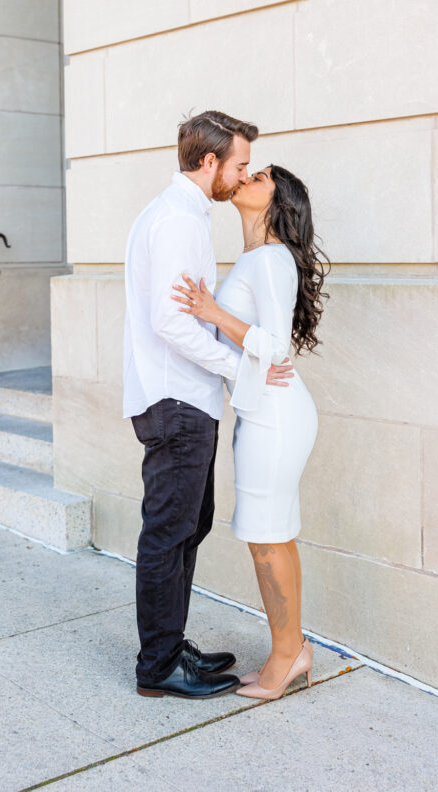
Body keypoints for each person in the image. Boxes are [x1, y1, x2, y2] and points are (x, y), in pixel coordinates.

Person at [123, 110, 295, 699]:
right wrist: (238, 369)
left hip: (182, 398)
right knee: (170, 531)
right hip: (177, 399)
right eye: (239, 165)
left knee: (186, 526)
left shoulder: (182, 214)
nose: (241, 176)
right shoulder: (179, 220)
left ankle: (170, 647)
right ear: (209, 162)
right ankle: (158, 667)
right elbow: (172, 320)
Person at [172, 163, 329, 701]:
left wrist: (213, 310)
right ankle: (292, 650)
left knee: (266, 540)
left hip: (276, 414)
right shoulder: (259, 259)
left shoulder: (270, 257)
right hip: (266, 410)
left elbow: (275, 347)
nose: (245, 177)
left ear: (276, 200)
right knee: (274, 535)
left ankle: (287, 657)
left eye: (259, 176)